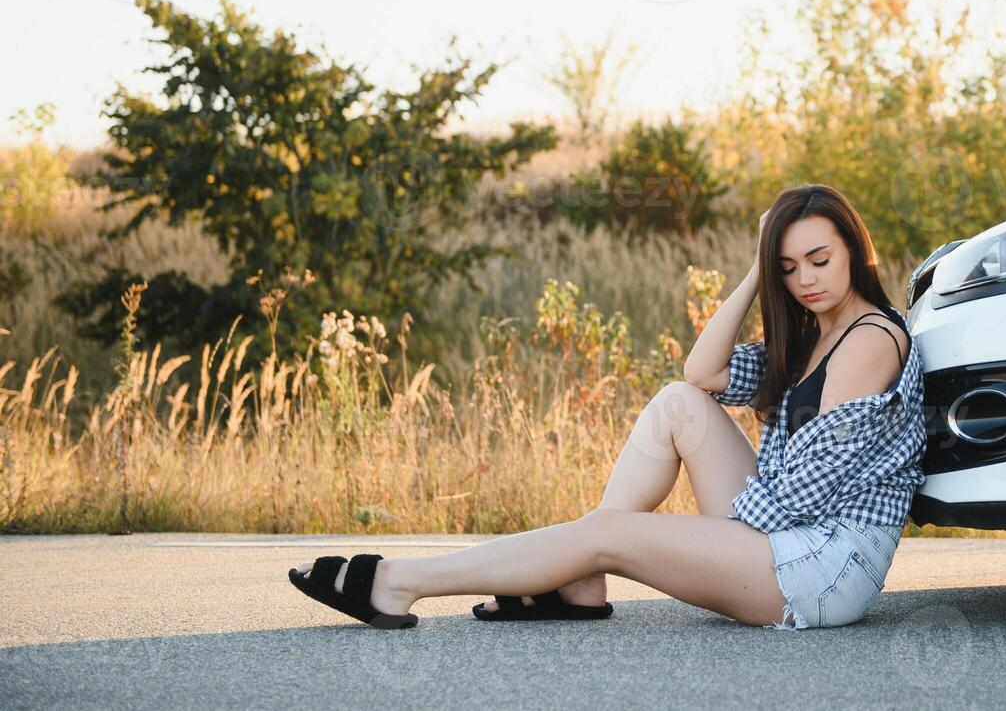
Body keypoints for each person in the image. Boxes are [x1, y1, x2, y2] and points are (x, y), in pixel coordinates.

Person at [289, 182, 926, 630]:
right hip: (784, 533)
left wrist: (673, 537)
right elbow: (701, 373)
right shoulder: (814, 333)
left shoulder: (870, 342)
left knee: (609, 533)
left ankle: (398, 583)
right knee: (678, 403)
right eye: (789, 268)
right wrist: (757, 271)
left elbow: (798, 503)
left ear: (853, 250)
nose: (806, 279)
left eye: (820, 259)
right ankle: (580, 580)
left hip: (821, 569)